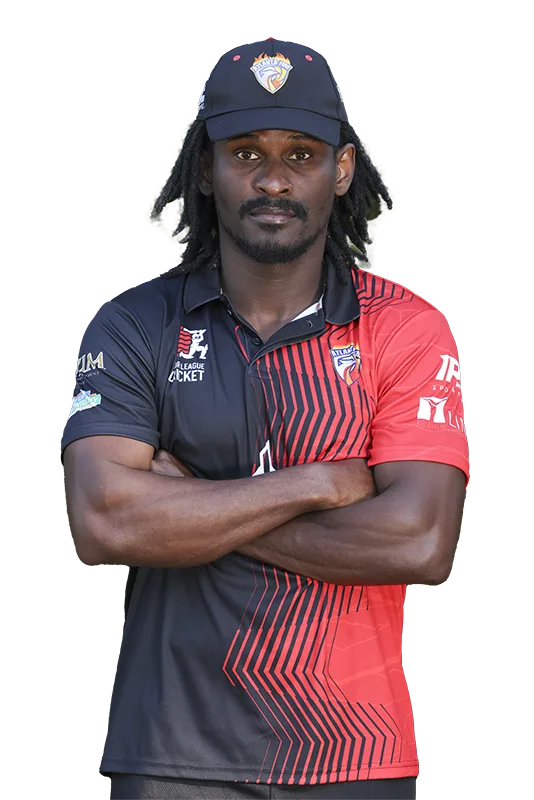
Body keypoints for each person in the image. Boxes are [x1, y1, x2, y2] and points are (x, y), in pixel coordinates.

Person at [61, 38, 469, 800]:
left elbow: (419, 541)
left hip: (355, 757)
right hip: (169, 756)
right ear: (205, 169)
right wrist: (315, 484)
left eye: (300, 155)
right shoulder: (135, 323)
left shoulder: (402, 326)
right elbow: (103, 524)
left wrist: (190, 502)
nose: (273, 179)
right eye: (245, 153)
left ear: (340, 170)